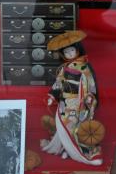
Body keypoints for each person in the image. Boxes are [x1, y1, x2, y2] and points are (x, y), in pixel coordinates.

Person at [41, 30, 104, 166]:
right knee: (64, 127)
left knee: (76, 128)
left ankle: (77, 151)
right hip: (65, 103)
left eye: (72, 50)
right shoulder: (64, 68)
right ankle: (66, 148)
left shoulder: (85, 66)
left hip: (79, 102)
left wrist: (90, 97)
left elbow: (91, 84)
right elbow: (58, 83)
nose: (69, 54)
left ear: (78, 50)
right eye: (66, 52)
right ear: (62, 54)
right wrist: (52, 96)